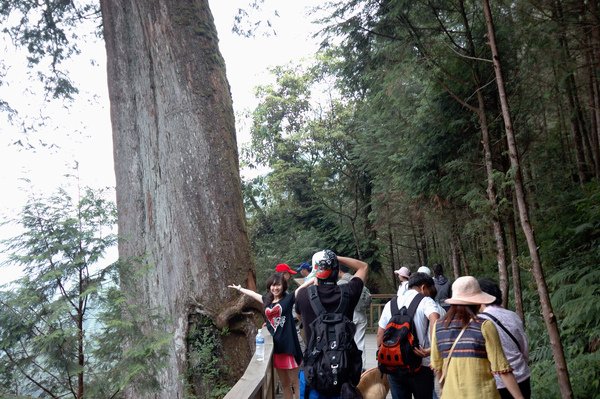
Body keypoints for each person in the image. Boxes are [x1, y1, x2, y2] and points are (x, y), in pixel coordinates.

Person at [430, 276, 524, 399]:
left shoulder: (439, 326)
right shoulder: (484, 326)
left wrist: (443, 389)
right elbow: (502, 370)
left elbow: (437, 368)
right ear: (477, 302)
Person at [295, 249, 369, 399]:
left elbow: (298, 306)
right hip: (344, 372)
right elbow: (363, 267)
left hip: (314, 372)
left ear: (316, 272)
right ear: (336, 271)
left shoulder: (303, 296)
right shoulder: (349, 292)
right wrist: (335, 258)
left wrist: (313, 279)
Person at [229, 273, 314, 399]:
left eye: (278, 285)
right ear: (269, 287)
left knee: (295, 383)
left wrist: (315, 278)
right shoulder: (266, 301)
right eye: (273, 286)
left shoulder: (288, 299)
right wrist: (240, 289)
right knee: (285, 384)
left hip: (290, 347)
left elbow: (301, 288)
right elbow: (253, 294)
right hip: (277, 349)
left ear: (283, 286)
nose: (275, 288)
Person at [377, 272, 441, 399]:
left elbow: (380, 333)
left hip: (394, 365)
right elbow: (435, 317)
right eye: (429, 290)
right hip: (420, 365)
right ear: (423, 287)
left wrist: (385, 355)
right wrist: (432, 348)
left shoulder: (391, 303)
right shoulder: (426, 301)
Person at [478, 278, 531, 399]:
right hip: (522, 376)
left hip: (498, 382)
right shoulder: (513, 315)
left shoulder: (480, 322)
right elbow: (524, 346)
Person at [338, 265, 371, 371]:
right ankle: (362, 368)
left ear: (339, 271)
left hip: (348, 314)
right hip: (361, 314)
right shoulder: (358, 281)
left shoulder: (340, 284)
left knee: (345, 340)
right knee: (360, 341)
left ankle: (347, 366)